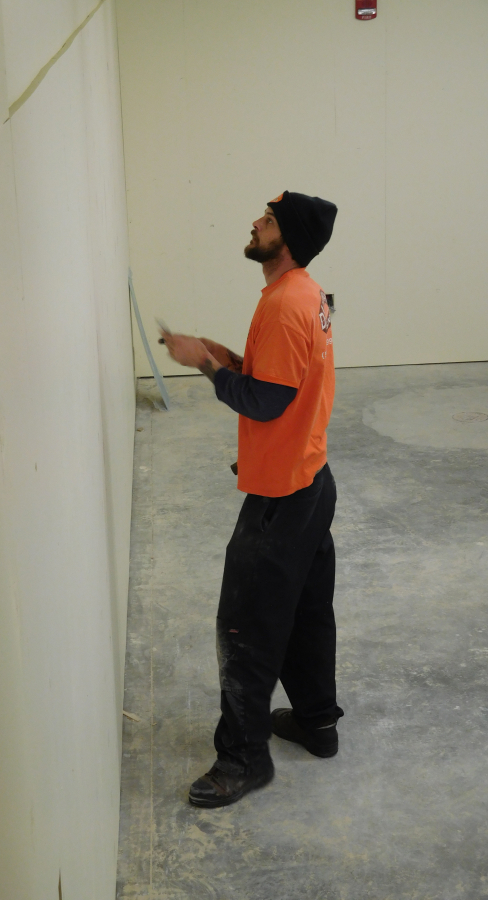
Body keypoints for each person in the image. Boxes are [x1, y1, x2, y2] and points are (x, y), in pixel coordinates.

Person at [160, 191, 342, 808]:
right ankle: (317, 724)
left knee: (245, 626)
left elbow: (265, 401)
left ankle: (242, 760)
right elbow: (279, 379)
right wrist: (222, 357)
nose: (255, 223)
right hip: (309, 480)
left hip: (282, 500)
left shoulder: (288, 304)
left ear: (285, 237)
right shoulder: (301, 293)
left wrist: (205, 370)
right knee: (307, 613)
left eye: (266, 219)